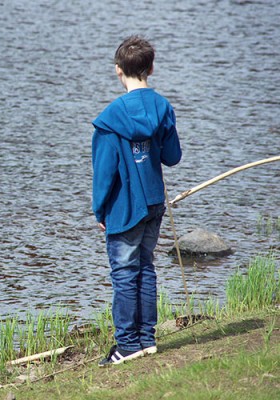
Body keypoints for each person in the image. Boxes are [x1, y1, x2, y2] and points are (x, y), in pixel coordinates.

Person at [91, 36, 182, 367]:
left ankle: (128, 345)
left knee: (124, 273)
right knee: (145, 267)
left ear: (118, 70)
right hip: (154, 203)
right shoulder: (163, 108)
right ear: (151, 68)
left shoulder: (108, 120)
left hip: (125, 208)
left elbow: (104, 173)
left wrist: (99, 208)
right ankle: (146, 339)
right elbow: (172, 157)